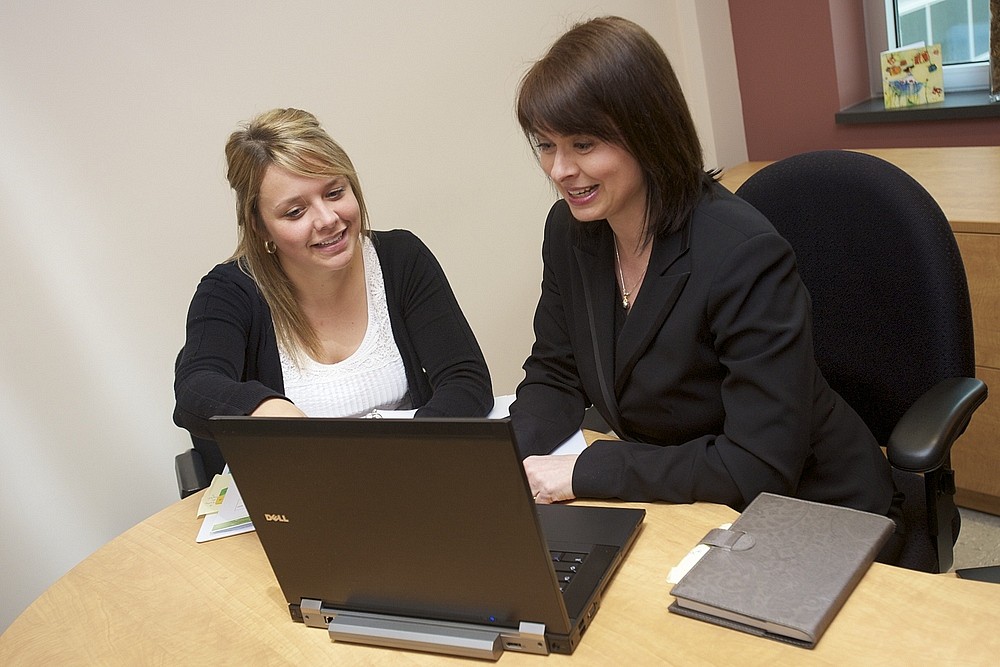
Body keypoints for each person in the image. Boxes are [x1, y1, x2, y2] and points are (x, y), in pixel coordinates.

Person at [508, 17, 903, 560]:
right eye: (546, 146)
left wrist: (588, 470)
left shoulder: (741, 253)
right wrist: (500, 462)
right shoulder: (571, 232)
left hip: (807, 507)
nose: (560, 169)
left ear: (646, 130)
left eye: (583, 143)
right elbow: (556, 371)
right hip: (686, 505)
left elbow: (756, 465)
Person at [174, 108, 493, 475]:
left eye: (335, 192)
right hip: (304, 490)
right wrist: (266, 410)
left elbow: (465, 379)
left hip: (415, 474)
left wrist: (410, 451)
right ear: (260, 228)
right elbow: (195, 389)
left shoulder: (402, 259)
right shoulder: (229, 290)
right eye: (295, 212)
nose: (327, 220)